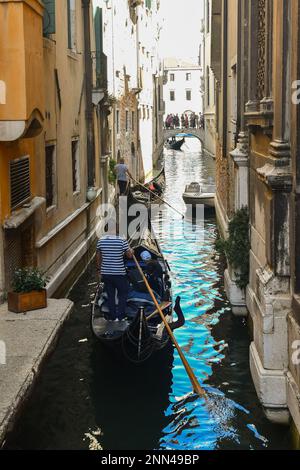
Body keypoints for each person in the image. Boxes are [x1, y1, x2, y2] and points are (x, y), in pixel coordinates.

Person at [96, 219, 133, 321]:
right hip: (119, 273)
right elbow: (129, 256)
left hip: (106, 273)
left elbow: (98, 256)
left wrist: (99, 270)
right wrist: (131, 250)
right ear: (115, 228)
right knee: (123, 293)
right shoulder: (122, 240)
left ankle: (112, 316)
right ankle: (120, 316)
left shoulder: (101, 240)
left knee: (110, 294)